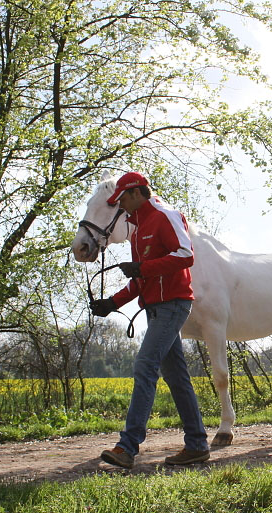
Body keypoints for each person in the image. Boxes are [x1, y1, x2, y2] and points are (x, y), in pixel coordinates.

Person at [90, 171, 210, 468]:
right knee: (177, 378)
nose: (123, 207)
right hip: (155, 308)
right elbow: (140, 278)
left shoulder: (165, 215)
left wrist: (143, 268)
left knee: (145, 366)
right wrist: (112, 303)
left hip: (174, 304)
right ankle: (197, 444)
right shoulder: (136, 226)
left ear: (136, 193)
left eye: (124, 200)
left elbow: (185, 255)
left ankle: (127, 447)